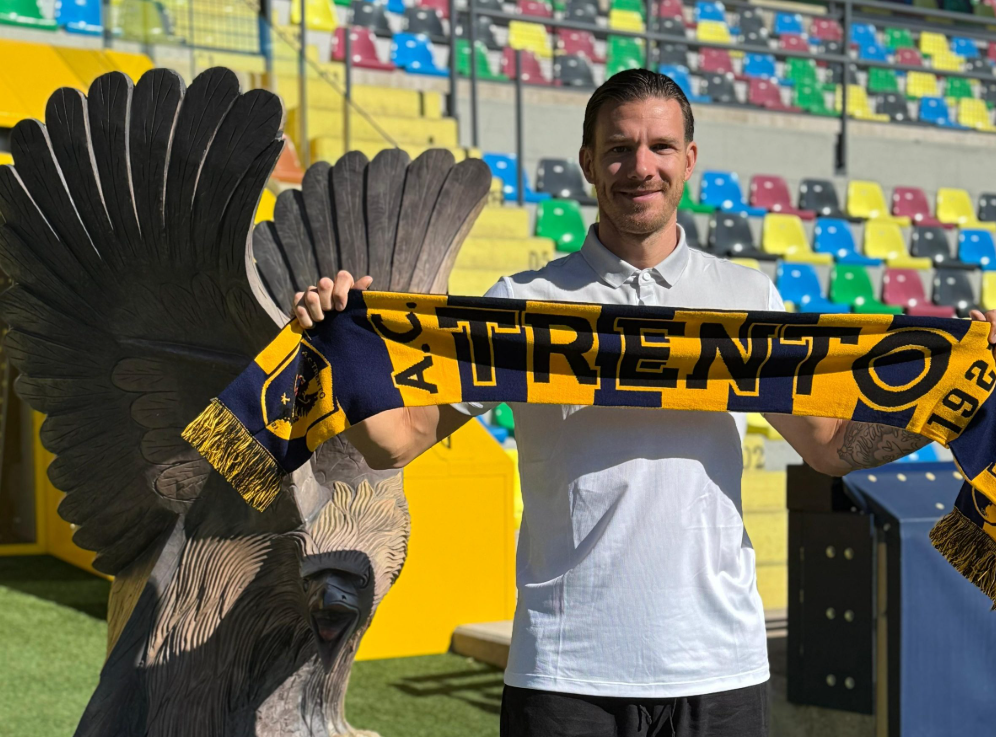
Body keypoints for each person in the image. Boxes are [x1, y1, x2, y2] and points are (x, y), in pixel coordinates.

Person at [291, 69, 996, 737]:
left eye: (661, 146)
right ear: (588, 163)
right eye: (619, 148)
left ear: (689, 160)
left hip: (720, 666)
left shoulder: (748, 299)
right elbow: (398, 440)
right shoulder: (523, 304)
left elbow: (829, 446)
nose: (641, 166)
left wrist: (948, 396)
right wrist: (341, 349)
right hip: (564, 673)